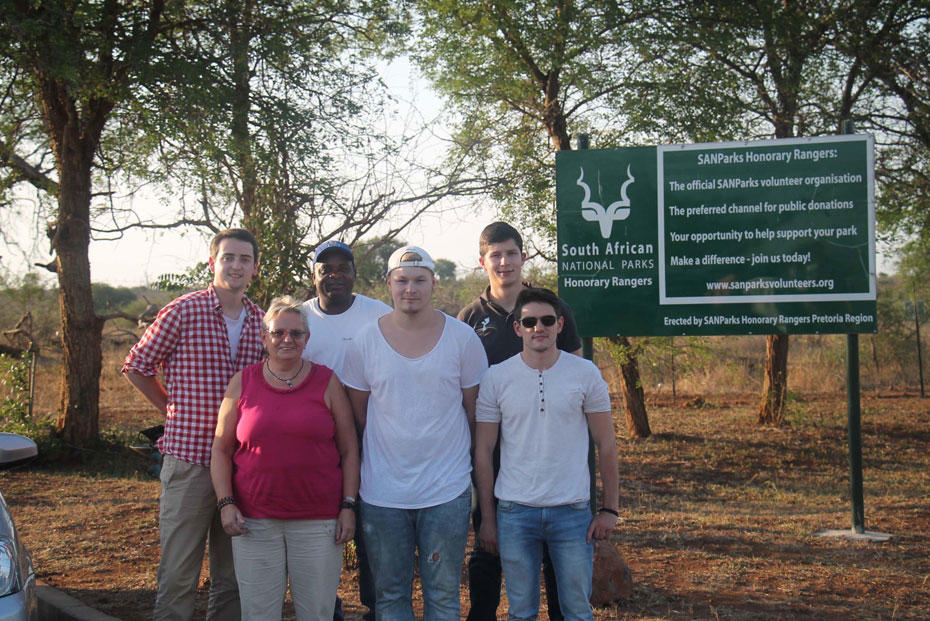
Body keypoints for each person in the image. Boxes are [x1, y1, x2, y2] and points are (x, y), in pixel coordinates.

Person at [122, 228, 264, 619]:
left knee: (233, 575)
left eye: (244, 259)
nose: (236, 266)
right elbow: (136, 365)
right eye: (228, 258)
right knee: (179, 572)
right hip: (189, 460)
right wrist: (170, 409)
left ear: (254, 268)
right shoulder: (183, 310)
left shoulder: (259, 321)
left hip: (240, 465)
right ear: (212, 262)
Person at [341, 245, 489, 620]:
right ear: (388, 284)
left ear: (433, 283)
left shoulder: (462, 338)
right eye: (402, 280)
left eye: (420, 280)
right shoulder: (364, 342)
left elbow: (475, 410)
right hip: (382, 492)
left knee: (442, 595)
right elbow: (358, 413)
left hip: (446, 488)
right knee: (390, 596)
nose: (411, 288)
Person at [457, 222, 582, 621]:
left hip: (549, 453)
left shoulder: (550, 310)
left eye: (511, 253)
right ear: (483, 262)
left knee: (555, 552)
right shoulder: (469, 319)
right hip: (491, 450)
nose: (504, 262)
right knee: (487, 543)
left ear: (523, 256)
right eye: (496, 255)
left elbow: (576, 377)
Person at [210, 296, 360, 620]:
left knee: (317, 613)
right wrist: (226, 503)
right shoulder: (242, 383)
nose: (287, 340)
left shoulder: (327, 381)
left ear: (307, 339)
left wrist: (348, 506)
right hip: (254, 520)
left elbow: (349, 450)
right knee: (259, 613)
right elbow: (221, 449)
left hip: (318, 520)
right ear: (264, 338)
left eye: (296, 333)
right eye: (278, 333)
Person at [474, 287, 619, 621]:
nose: (538, 327)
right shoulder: (496, 378)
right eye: (529, 321)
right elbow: (483, 450)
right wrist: (488, 517)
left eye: (547, 320)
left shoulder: (585, 374)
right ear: (517, 328)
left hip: (571, 512)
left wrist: (609, 508)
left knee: (577, 611)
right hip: (514, 512)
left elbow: (607, 444)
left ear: (560, 325)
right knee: (521, 612)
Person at [300, 240, 390, 621]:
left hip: (371, 435)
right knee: (322, 525)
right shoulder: (299, 319)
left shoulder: (379, 315)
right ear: (314, 275)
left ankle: (375, 607)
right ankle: (327, 606)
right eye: (326, 269)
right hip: (316, 442)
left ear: (354, 274)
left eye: (342, 268)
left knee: (371, 524)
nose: (334, 275)